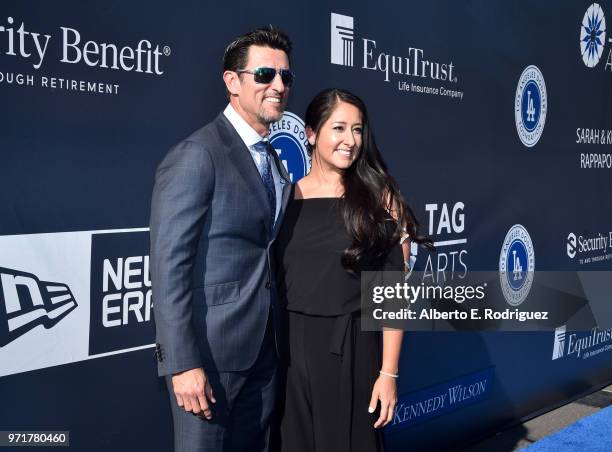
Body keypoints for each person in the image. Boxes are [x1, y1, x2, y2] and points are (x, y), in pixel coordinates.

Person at [150, 26, 294, 452]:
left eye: (286, 77)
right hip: (209, 360)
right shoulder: (198, 155)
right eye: (265, 74)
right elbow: (169, 265)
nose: (279, 86)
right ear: (232, 81)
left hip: (266, 352)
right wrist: (182, 363)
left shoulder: (272, 158)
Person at [275, 88, 428, 452]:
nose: (350, 140)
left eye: (357, 130)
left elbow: (391, 296)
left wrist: (388, 374)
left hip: (352, 349)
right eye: (339, 128)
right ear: (311, 133)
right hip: (289, 353)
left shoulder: (379, 198)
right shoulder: (284, 196)